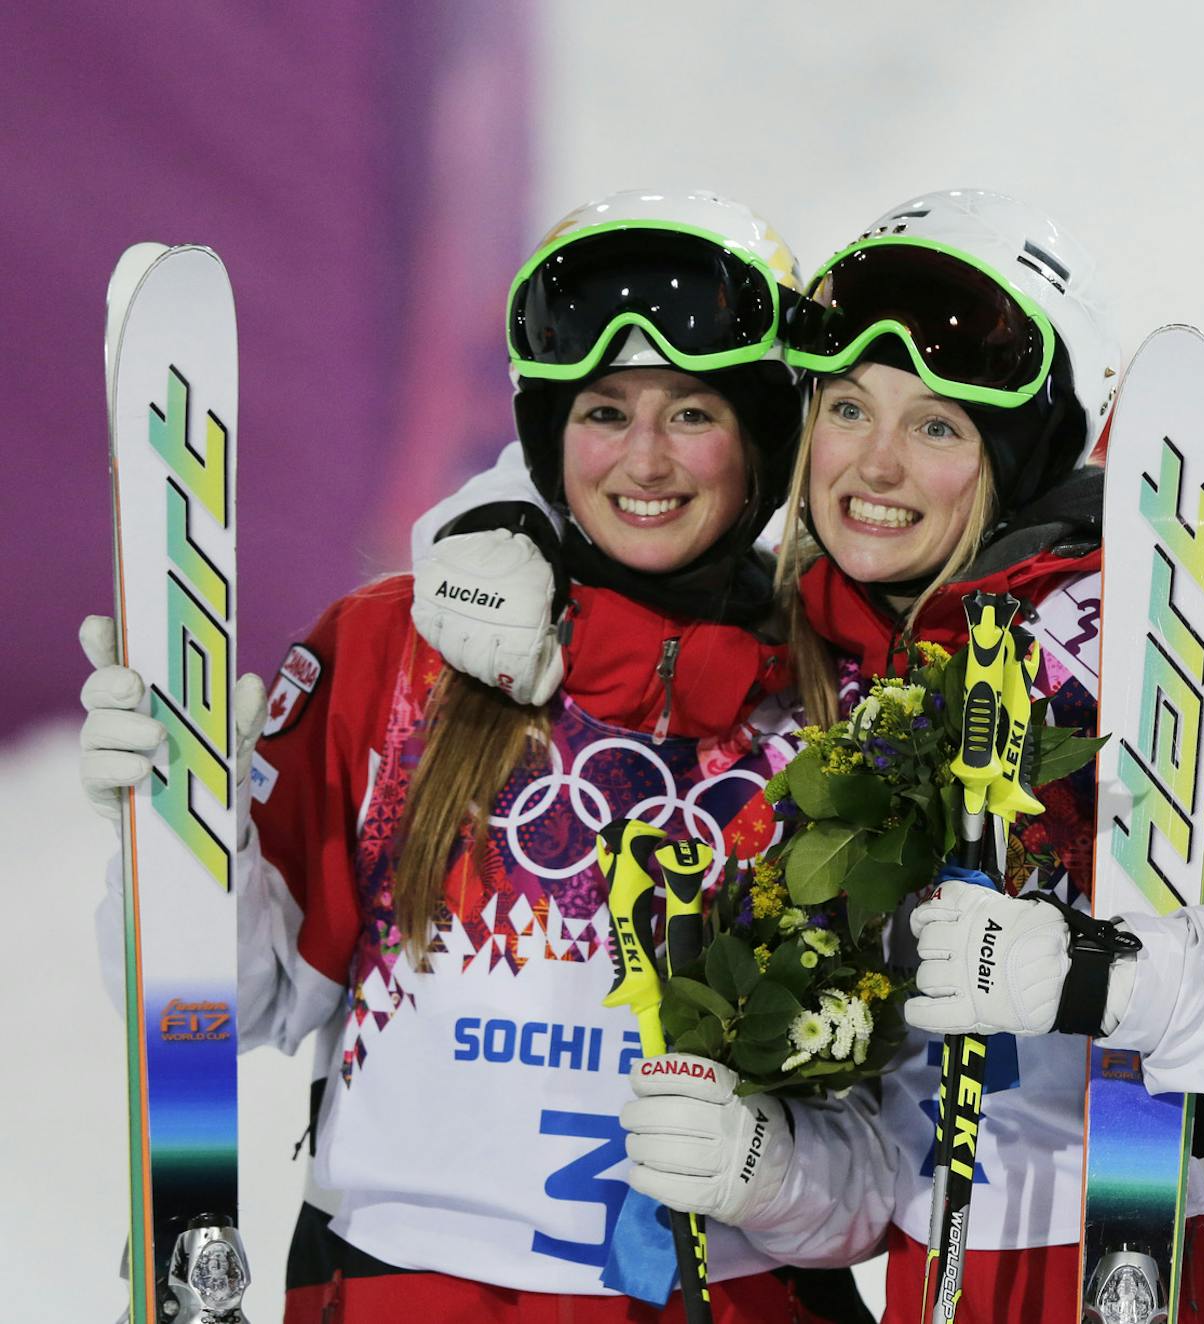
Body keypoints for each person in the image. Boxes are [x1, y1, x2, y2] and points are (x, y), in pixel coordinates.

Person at [406, 189, 1204, 1322]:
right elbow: (879, 1162)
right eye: (849, 409)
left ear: (1021, 453)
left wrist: (1095, 974)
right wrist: (485, 522)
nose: (878, 466)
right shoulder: (817, 678)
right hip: (944, 1275)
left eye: (941, 427)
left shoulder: (1170, 638)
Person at [80, 190, 881, 1322]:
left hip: (729, 1293)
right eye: (603, 410)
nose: (644, 459)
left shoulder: (844, 706)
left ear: (762, 434)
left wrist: (776, 1169)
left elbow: (892, 1159)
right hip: (400, 1287)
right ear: (549, 433)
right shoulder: (390, 653)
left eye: (692, 412)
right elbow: (241, 999)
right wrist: (172, 826)